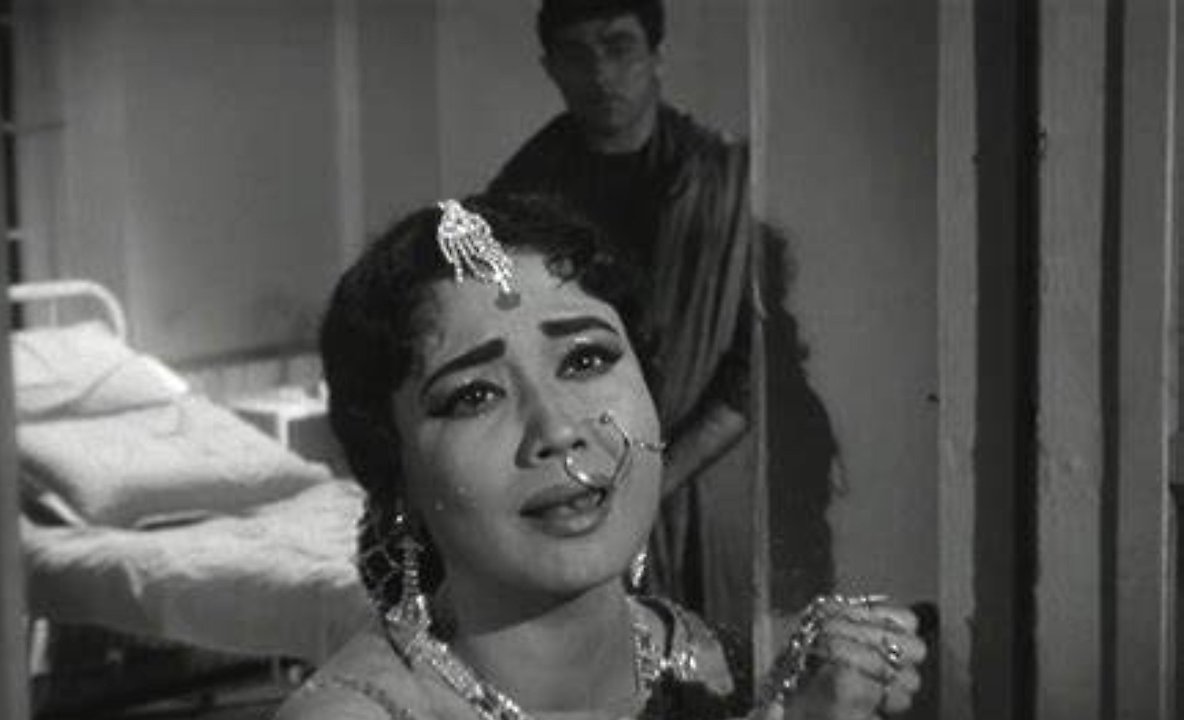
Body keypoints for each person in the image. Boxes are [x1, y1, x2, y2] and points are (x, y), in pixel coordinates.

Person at [277, 194, 925, 719]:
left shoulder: (721, 671)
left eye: (586, 360)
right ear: (395, 473)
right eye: (475, 395)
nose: (558, 429)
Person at [488, 0, 837, 630]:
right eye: (577, 54)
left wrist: (658, 476)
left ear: (657, 56)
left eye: (618, 47)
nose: (601, 74)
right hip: (579, 480)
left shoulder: (728, 181)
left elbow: (760, 358)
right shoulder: (520, 193)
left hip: (709, 479)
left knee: (715, 654)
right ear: (550, 68)